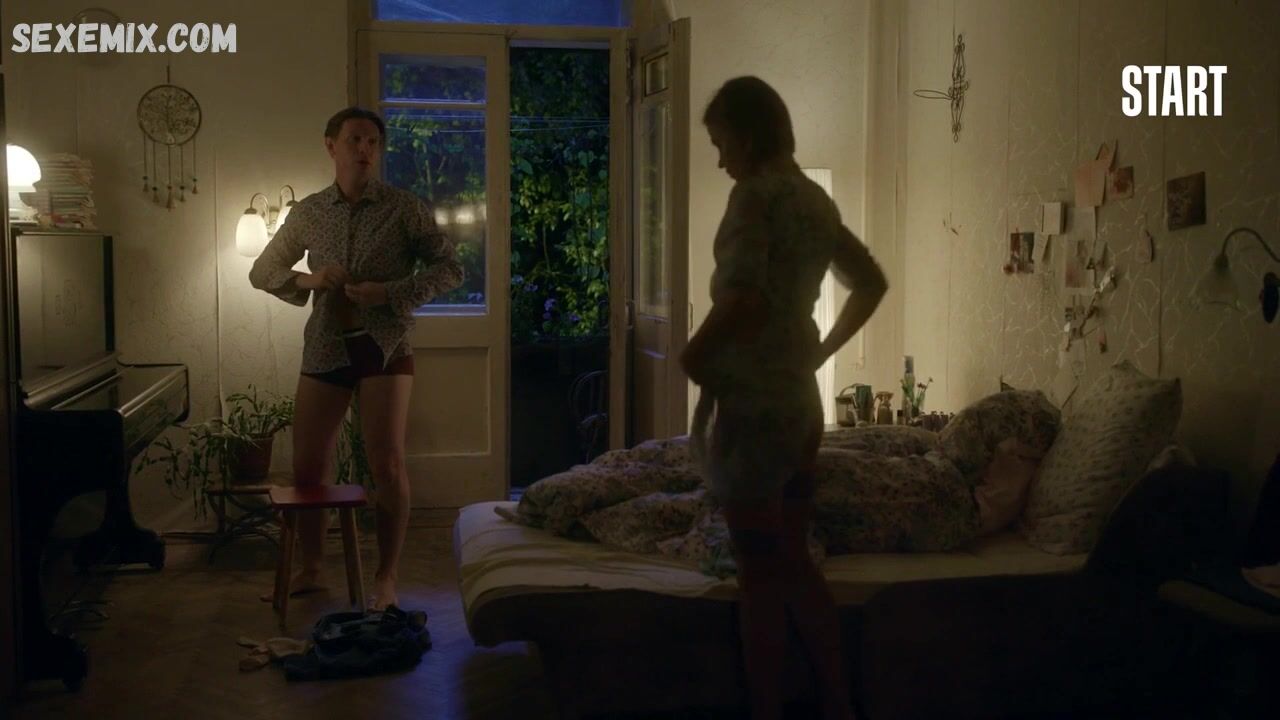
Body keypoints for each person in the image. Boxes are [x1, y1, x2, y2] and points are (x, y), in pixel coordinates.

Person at [681, 77, 888, 720]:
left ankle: (767, 708)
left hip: (754, 405)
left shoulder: (755, 196)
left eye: (721, 144)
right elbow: (871, 283)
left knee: (758, 572)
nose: (721, 160)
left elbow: (743, 297)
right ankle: (837, 702)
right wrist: (820, 353)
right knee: (795, 558)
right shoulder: (814, 200)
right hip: (800, 401)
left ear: (746, 136)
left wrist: (694, 354)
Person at [250, 107, 463, 610]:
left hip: (385, 347)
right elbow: (263, 270)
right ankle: (311, 568)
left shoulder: (404, 207)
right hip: (326, 345)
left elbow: (449, 268)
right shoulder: (310, 212)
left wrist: (390, 293)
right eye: (355, 140)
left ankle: (386, 578)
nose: (365, 149)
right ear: (331, 146)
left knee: (387, 463)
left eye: (372, 142)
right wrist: (310, 279)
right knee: (307, 466)